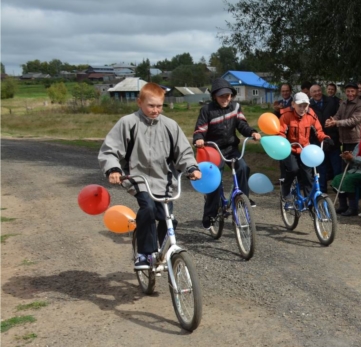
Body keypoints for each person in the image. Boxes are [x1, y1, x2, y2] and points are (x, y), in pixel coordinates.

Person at [99, 83, 200, 269]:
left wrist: (191, 167)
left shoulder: (170, 126)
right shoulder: (128, 123)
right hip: (138, 178)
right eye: (151, 106)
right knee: (148, 209)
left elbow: (184, 152)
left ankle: (159, 252)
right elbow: (110, 150)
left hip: (164, 180)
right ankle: (144, 254)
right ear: (140, 103)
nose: (155, 110)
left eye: (159, 106)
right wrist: (113, 169)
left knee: (168, 218)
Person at [193, 78, 261, 228]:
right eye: (222, 96)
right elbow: (200, 129)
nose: (225, 99)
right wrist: (199, 138)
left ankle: (242, 200)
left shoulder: (236, 107)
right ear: (215, 96)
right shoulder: (207, 110)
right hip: (213, 150)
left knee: (243, 168)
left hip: (231, 149)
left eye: (228, 95)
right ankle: (210, 214)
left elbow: (242, 124)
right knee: (214, 182)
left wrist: (252, 132)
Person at [278, 92, 333, 202]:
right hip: (290, 149)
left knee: (308, 176)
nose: (302, 108)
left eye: (305, 106)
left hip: (305, 150)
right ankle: (286, 188)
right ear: (293, 104)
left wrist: (325, 138)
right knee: (293, 170)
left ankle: (311, 202)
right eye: (300, 105)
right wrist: (283, 142)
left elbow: (319, 131)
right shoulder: (286, 115)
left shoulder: (311, 115)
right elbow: (280, 132)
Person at [310, 84, 341, 190]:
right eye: (314, 92)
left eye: (319, 90)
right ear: (311, 94)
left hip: (332, 138)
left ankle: (337, 188)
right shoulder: (309, 105)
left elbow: (338, 116)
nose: (317, 93)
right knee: (321, 167)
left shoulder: (332, 101)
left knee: (336, 166)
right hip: (317, 140)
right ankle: (322, 189)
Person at [325, 82, 361, 153]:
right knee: (345, 162)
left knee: (354, 162)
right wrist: (331, 121)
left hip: (355, 139)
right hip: (344, 139)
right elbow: (338, 115)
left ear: (356, 92)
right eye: (348, 91)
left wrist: (336, 122)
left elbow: (353, 121)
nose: (350, 93)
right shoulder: (343, 103)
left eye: (352, 91)